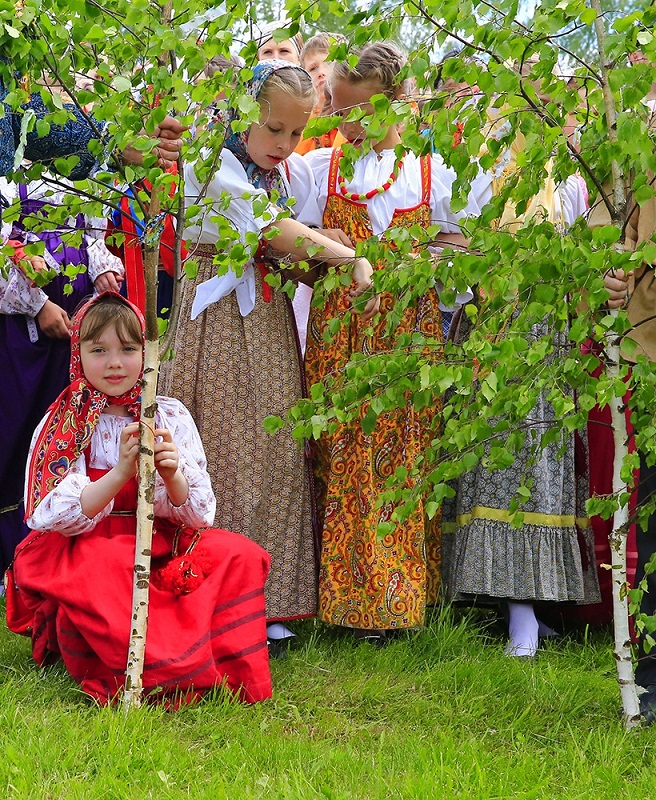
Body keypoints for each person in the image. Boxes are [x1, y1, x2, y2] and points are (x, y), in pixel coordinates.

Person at [163, 60, 377, 654]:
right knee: (224, 445)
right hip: (219, 324)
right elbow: (275, 232)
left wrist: (327, 266)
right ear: (243, 117)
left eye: (295, 133)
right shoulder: (214, 169)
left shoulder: (279, 176)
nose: (284, 145)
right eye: (273, 130)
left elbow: (287, 247)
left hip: (270, 322)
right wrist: (345, 256)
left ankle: (272, 597)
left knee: (278, 446)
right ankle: (216, 597)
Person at [6, 292, 272, 706]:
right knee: (111, 566)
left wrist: (172, 474)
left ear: (146, 354)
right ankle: (158, 670)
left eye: (128, 350)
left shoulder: (168, 413)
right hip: (89, 543)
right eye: (99, 350)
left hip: (160, 535)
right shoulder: (67, 420)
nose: (115, 363)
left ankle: (210, 660)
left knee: (238, 553)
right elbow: (52, 512)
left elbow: (199, 514)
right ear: (78, 354)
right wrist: (120, 473)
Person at [304, 42, 480, 643]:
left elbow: (459, 250)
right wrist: (320, 244)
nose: (345, 123)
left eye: (357, 113)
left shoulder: (431, 173)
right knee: (341, 452)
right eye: (337, 108)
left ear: (397, 107)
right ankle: (338, 598)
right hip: (339, 331)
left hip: (407, 333)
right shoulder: (318, 167)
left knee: (399, 457)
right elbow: (290, 248)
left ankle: (395, 600)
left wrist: (423, 262)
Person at [442, 82, 601, 657]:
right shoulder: (484, 163)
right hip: (496, 320)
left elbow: (580, 248)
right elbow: (459, 238)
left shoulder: (568, 175)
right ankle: (515, 607)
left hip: (548, 330)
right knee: (499, 458)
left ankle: (533, 601)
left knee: (540, 459)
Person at [0, 176, 124, 574]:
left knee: (63, 432)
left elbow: (93, 234)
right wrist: (37, 304)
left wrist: (102, 267)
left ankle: (52, 549)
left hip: (76, 332)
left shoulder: (82, 175)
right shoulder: (9, 176)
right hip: (24, 330)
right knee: (16, 428)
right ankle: (8, 555)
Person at [295, 33, 347, 156]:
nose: (321, 73)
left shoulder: (358, 117)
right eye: (313, 69)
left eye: (329, 63)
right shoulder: (301, 126)